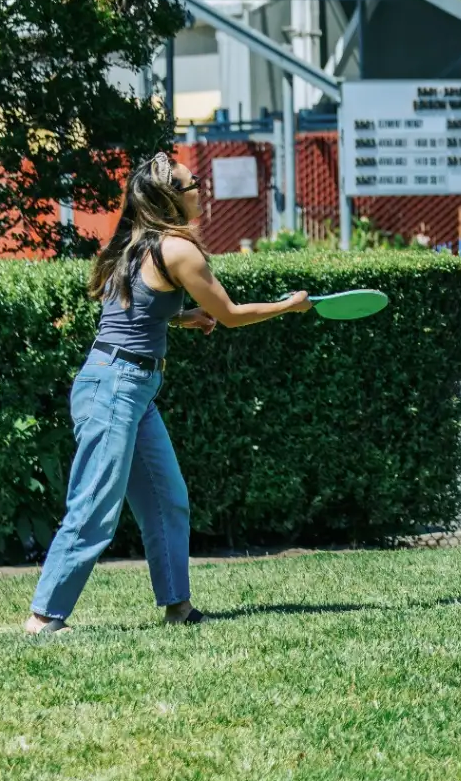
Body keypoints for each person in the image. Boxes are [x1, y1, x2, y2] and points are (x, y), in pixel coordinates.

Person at [25, 154, 312, 634]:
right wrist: (289, 306)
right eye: (192, 183)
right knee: (94, 503)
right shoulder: (178, 249)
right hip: (115, 386)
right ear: (169, 198)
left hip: (127, 387)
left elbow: (133, 310)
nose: (200, 188)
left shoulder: (139, 243)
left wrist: (178, 316)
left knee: (167, 498)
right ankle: (44, 618)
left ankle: (178, 607)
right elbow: (234, 314)